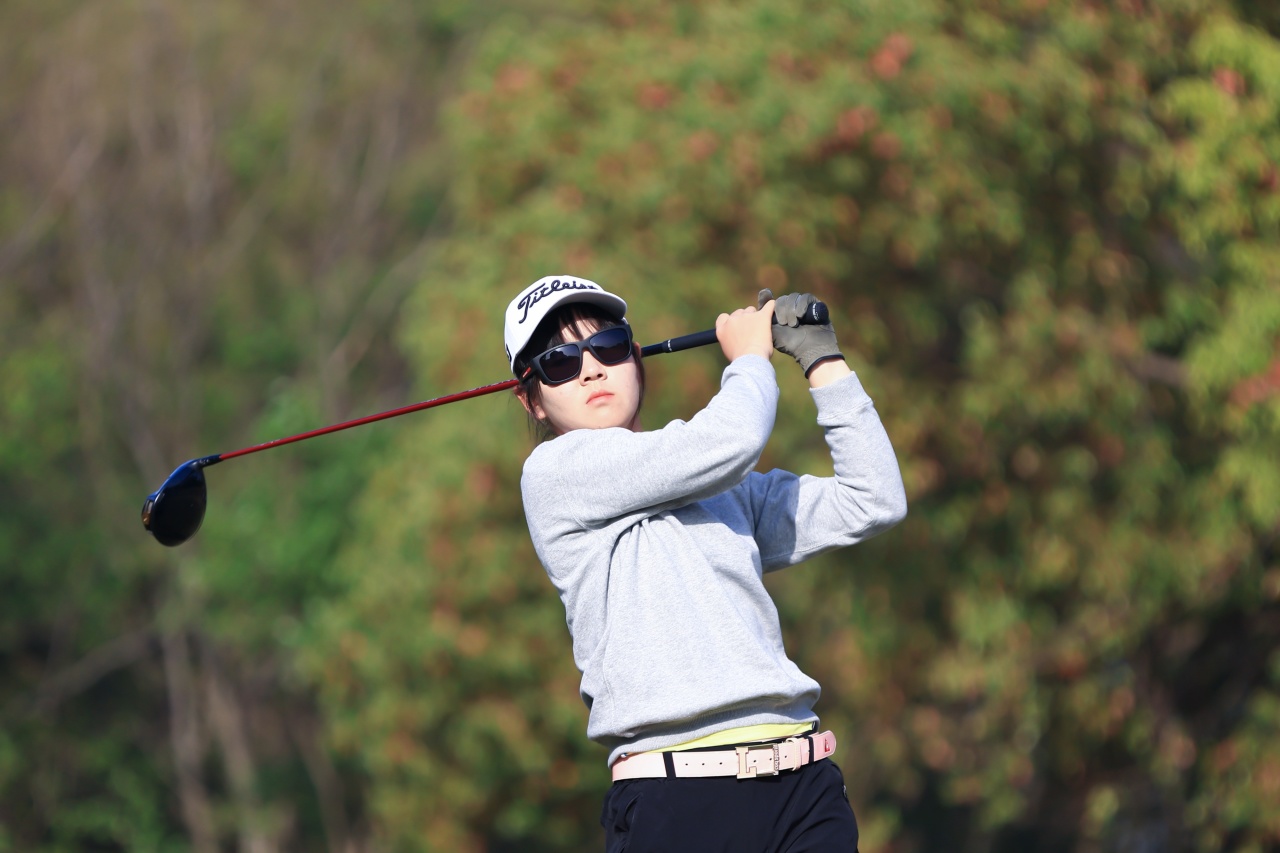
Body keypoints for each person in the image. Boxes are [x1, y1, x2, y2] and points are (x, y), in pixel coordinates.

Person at [504, 274, 908, 852]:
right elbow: (730, 442)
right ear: (532, 399)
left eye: (608, 347)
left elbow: (874, 499)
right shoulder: (554, 475)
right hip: (678, 801)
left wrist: (823, 361)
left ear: (635, 357)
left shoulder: (723, 488)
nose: (590, 369)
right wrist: (749, 359)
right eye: (559, 362)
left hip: (803, 785)